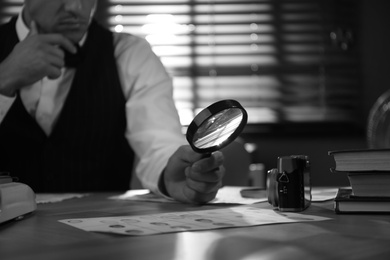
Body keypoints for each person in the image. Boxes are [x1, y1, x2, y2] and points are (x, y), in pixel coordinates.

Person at [0, 0, 225, 204]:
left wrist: (171, 174)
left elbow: (158, 139)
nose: (76, 8)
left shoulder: (130, 54)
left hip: (100, 237)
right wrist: (4, 77)